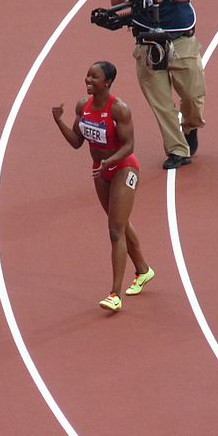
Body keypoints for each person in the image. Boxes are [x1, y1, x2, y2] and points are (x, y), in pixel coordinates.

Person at [52, 61, 155, 311]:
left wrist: (109, 160)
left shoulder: (119, 110)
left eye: (94, 77)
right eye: (87, 75)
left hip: (123, 168)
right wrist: (59, 121)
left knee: (115, 231)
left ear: (107, 82)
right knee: (118, 222)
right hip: (100, 171)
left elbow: (129, 146)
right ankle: (143, 270)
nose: (88, 80)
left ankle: (114, 295)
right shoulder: (82, 107)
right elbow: (77, 142)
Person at [111, 0, 207, 170]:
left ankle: (190, 126)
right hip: (148, 43)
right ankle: (177, 150)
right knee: (161, 103)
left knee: (193, 96)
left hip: (181, 40)